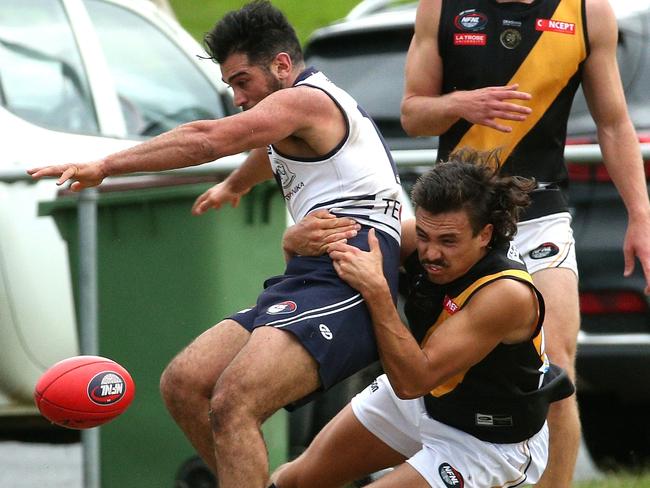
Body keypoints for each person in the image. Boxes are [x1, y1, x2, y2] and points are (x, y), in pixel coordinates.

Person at [28, 2, 403, 487]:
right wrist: (237, 185)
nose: (237, 97)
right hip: (311, 274)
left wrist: (104, 166)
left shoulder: (305, 101)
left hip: (351, 279)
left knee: (233, 401)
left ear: (282, 65)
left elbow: (209, 139)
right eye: (230, 85)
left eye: (242, 81)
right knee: (183, 384)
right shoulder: (302, 112)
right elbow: (272, 152)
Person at [399, 0, 650, 485]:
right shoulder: (442, 7)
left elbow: (615, 125)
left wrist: (641, 216)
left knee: (555, 372)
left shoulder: (587, 12)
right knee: (439, 369)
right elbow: (412, 114)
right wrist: (460, 105)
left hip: (541, 214)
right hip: (462, 224)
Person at [270, 149, 575, 488]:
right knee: (296, 480)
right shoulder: (419, 238)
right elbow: (323, 263)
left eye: (448, 241)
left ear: (485, 235)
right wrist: (293, 241)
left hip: (484, 440)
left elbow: (413, 379)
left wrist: (377, 292)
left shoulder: (506, 294)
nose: (430, 252)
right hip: (422, 402)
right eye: (426, 236)